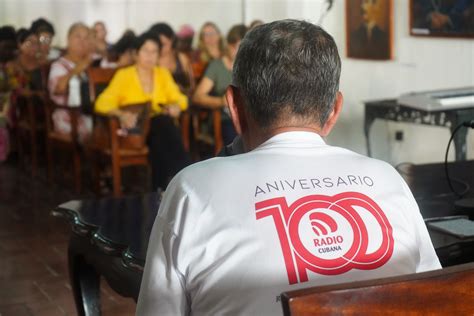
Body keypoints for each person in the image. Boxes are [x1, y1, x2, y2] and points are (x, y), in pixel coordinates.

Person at [137, 19, 441, 315]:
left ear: (234, 107)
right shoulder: (387, 177)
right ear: (334, 111)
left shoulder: (192, 188)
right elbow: (438, 298)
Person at [95, 31, 190, 191]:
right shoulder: (124, 75)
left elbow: (181, 99)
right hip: (133, 131)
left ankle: (160, 189)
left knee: (160, 131)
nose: (150, 56)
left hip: (158, 131)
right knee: (163, 125)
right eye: (146, 51)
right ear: (136, 53)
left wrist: (176, 106)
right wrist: (122, 114)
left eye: (154, 52)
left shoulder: (162, 74)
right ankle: (184, 177)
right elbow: (101, 102)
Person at [192, 24, 247, 146]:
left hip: (251, 118)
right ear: (229, 45)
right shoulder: (216, 66)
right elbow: (198, 96)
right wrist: (221, 102)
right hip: (227, 119)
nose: (239, 52)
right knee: (239, 142)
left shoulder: (249, 65)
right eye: (237, 47)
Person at [48, 22, 93, 142]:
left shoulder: (93, 65)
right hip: (68, 116)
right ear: (68, 40)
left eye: (86, 38)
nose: (82, 41)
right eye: (78, 36)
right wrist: (78, 69)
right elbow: (59, 88)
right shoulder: (59, 65)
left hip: (92, 114)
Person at [149, 23, 194, 95]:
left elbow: (192, 86)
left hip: (183, 101)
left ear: (172, 39)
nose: (160, 48)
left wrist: (183, 90)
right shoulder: (149, 60)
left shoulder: (181, 57)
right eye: (157, 44)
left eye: (164, 44)